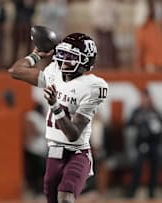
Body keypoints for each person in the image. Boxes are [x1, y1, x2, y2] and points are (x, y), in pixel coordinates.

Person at [8, 32, 108, 203]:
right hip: (54, 151)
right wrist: (35, 55)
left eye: (70, 56)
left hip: (77, 152)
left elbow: (73, 134)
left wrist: (55, 106)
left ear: (85, 61)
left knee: (65, 198)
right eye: (62, 54)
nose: (63, 59)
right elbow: (15, 71)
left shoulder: (91, 87)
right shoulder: (54, 74)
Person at [125, 88, 162, 199]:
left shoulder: (155, 111)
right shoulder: (137, 111)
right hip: (140, 144)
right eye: (142, 98)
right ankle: (132, 193)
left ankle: (151, 192)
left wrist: (156, 128)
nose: (144, 100)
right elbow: (128, 125)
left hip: (153, 144)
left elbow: (160, 127)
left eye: (146, 97)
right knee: (138, 168)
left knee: (155, 168)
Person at [23, 103, 48, 198]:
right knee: (37, 171)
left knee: (42, 171)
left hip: (42, 149)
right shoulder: (32, 116)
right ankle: (37, 191)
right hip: (33, 149)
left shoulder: (42, 118)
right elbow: (30, 129)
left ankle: (40, 190)